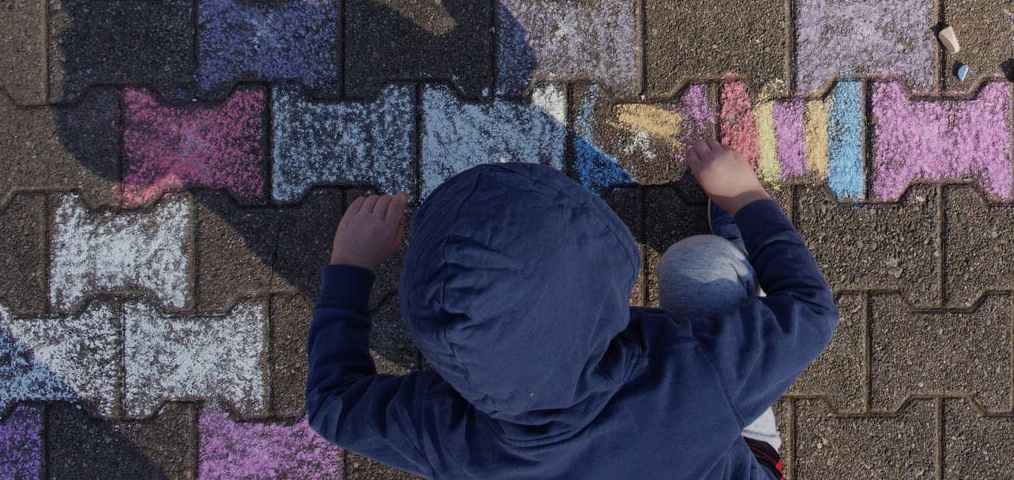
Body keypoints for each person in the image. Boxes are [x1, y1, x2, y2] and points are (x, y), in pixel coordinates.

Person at [306, 137, 839, 478]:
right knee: (701, 268)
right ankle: (740, 235)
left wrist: (351, 267)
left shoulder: (454, 440)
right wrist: (747, 198)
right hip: (726, 435)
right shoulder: (697, 376)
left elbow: (334, 406)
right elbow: (812, 311)